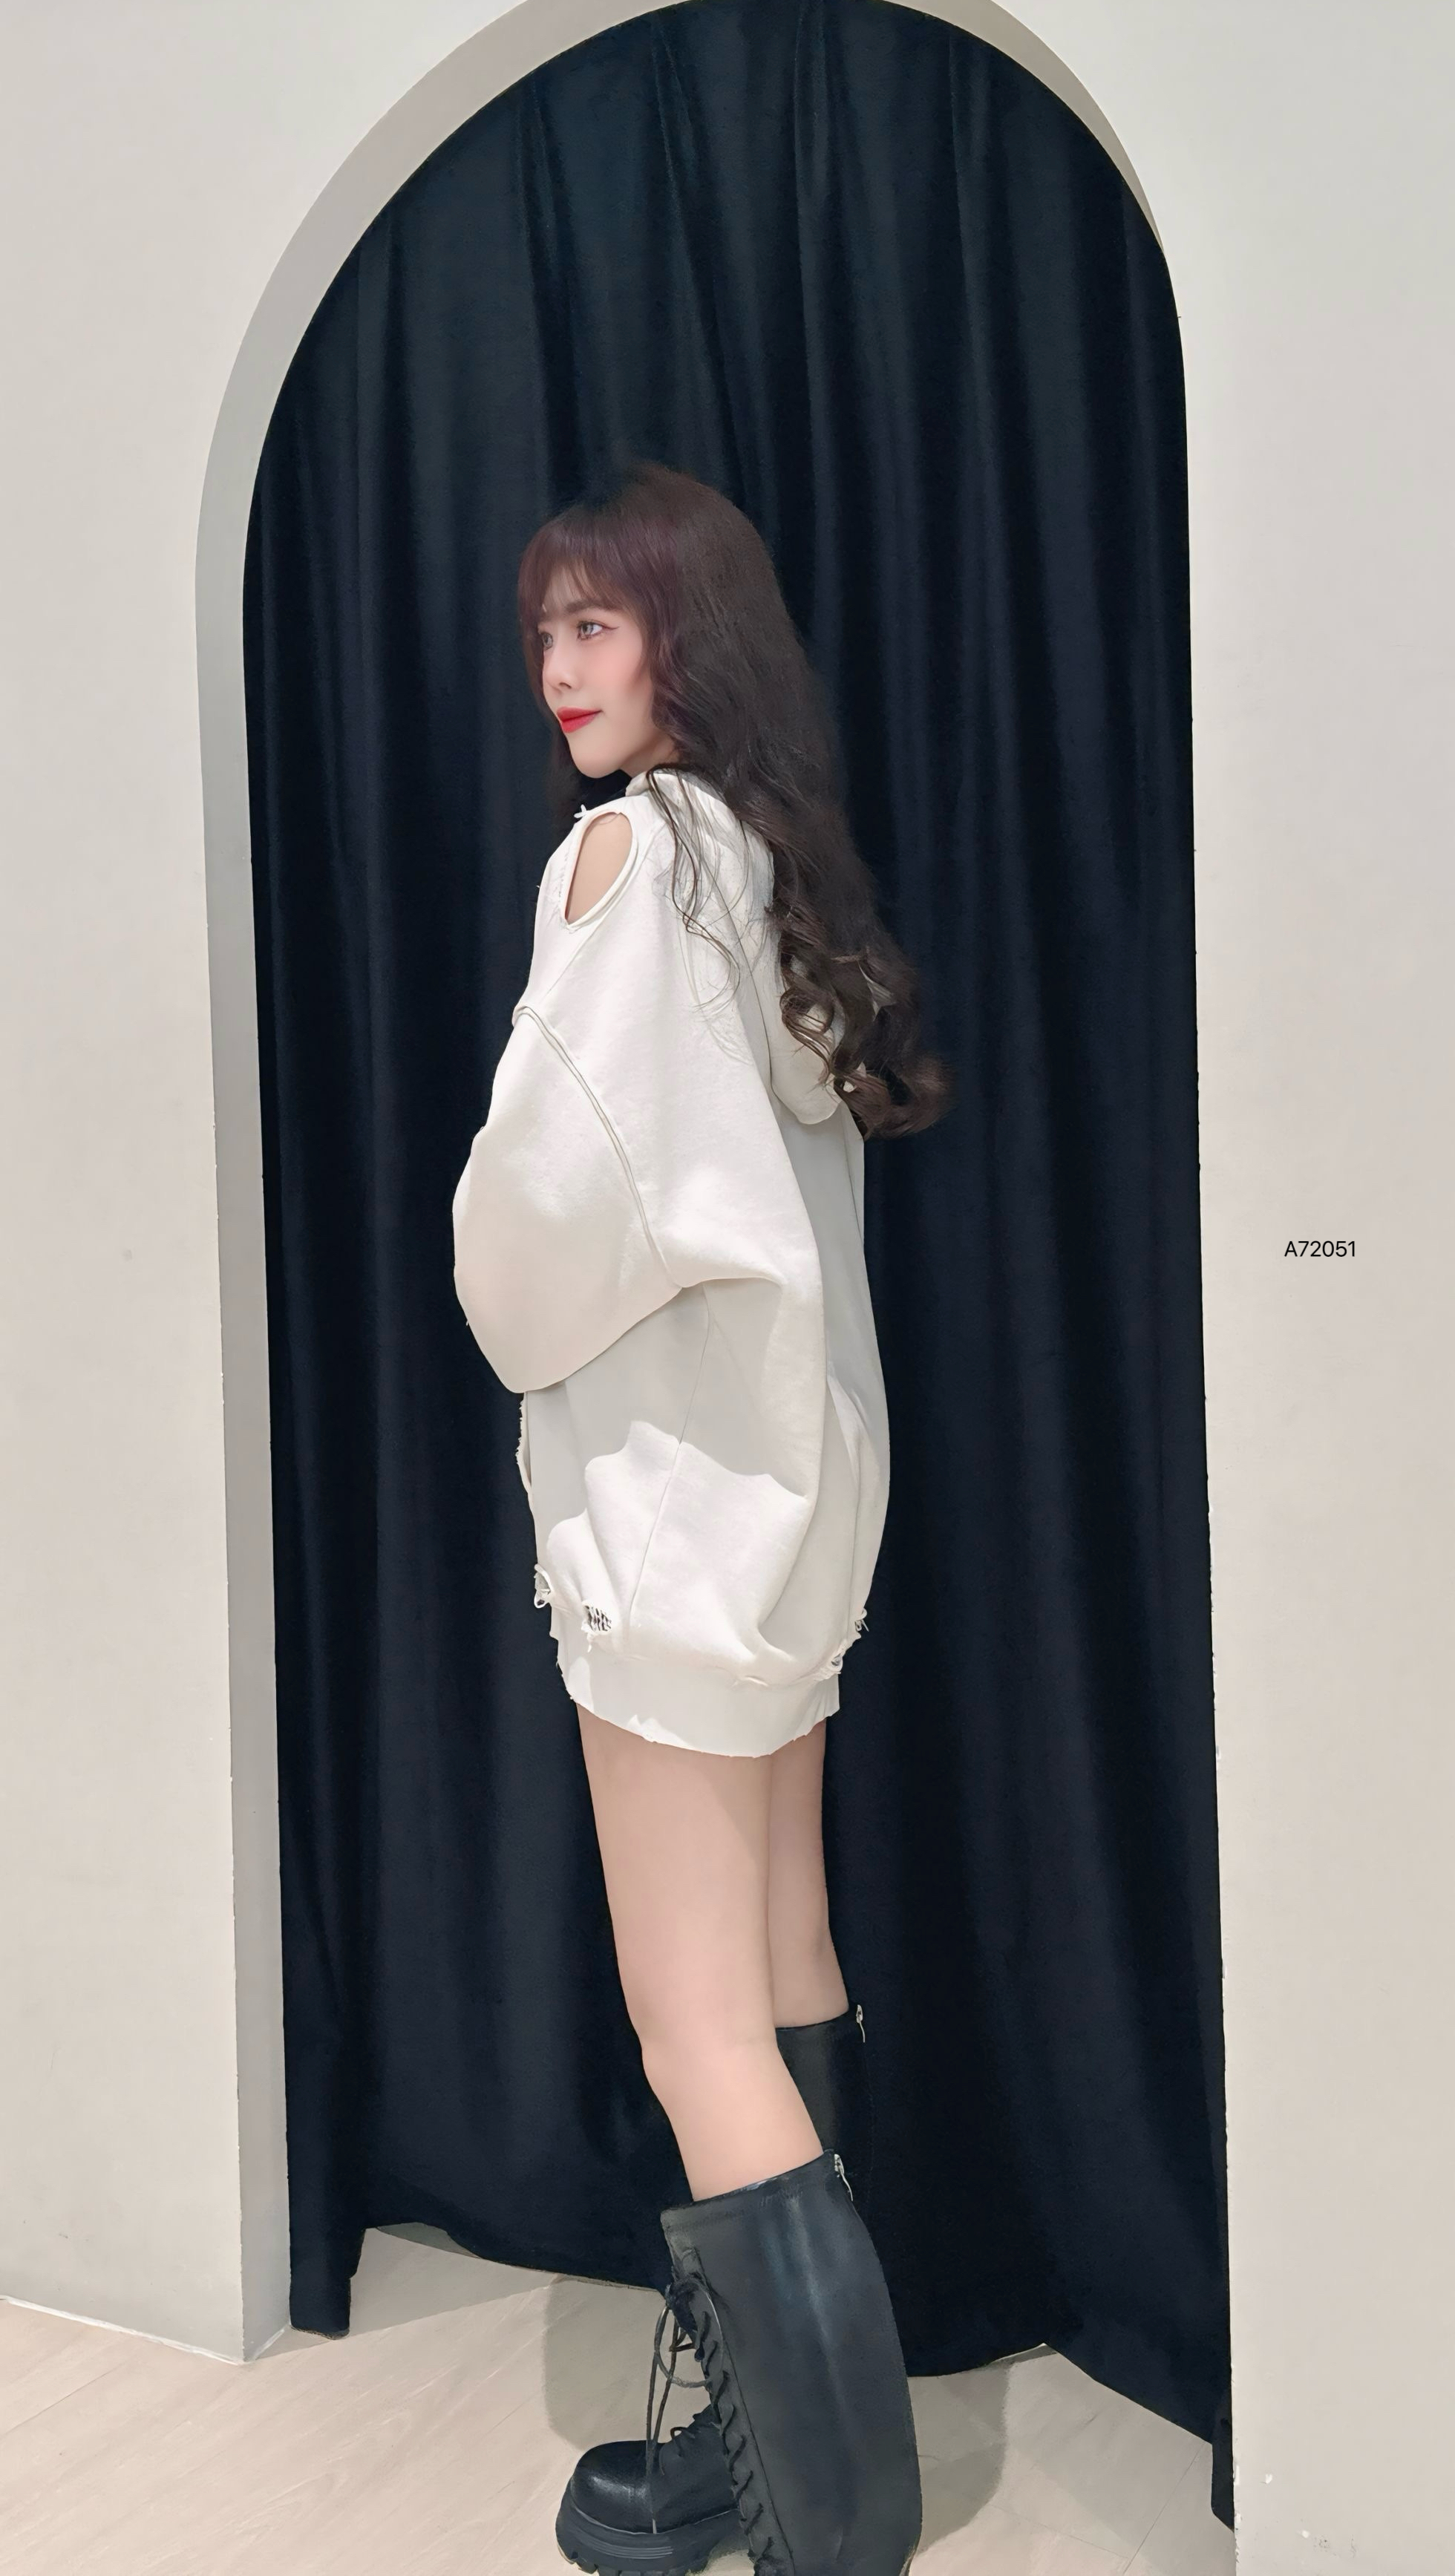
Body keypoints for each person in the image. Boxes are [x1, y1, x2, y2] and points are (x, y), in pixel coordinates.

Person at [451, 457, 950, 2576]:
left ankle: (827, 2523)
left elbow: (551, 1201)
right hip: (797, 1488)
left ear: (687, 634)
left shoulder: (626, 860)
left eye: (599, 622)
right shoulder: (761, 859)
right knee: (783, 1951)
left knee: (692, 2017)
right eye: (545, 630)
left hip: (672, 1504)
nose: (559, 668)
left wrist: (491, 1292)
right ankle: (776, 2470)